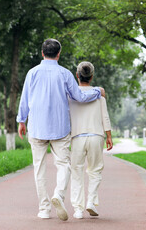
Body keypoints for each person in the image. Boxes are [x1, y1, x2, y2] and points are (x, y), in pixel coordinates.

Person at [16, 39, 105, 221]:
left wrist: (21, 121)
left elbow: (25, 98)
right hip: (60, 127)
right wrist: (97, 91)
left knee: (39, 168)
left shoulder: (32, 73)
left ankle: (44, 209)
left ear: (42, 53)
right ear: (58, 54)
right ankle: (59, 194)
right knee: (63, 165)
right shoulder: (65, 74)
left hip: (37, 126)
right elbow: (79, 96)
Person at [68, 61, 113, 219]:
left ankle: (78, 209)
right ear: (91, 76)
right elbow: (105, 116)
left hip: (77, 137)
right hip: (96, 136)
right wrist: (109, 136)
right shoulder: (98, 94)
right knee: (95, 171)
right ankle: (91, 202)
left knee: (76, 172)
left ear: (77, 75)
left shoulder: (71, 95)